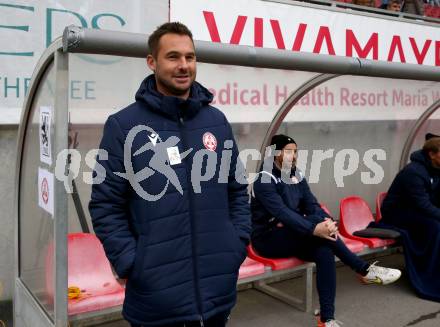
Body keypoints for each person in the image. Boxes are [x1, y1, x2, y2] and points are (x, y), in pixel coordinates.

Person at [89, 22, 251, 327]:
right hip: (156, 301)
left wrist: (236, 243)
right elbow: (105, 204)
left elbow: (237, 188)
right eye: (173, 57)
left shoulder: (216, 121)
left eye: (190, 57)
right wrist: (132, 264)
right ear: (152, 62)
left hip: (217, 292)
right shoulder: (123, 126)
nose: (184, 66)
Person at [250, 134, 401, 327]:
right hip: (268, 238)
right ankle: (363, 270)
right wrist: (314, 228)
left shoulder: (297, 174)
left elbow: (311, 204)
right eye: (288, 151)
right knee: (322, 237)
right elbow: (282, 214)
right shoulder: (264, 180)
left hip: (294, 232)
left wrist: (327, 222)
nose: (293, 156)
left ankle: (326, 319)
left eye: (295, 151)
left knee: (325, 251)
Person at [379, 136, 440, 302]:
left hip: (415, 211)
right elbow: (423, 205)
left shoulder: (436, 169)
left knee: (434, 223)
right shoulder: (413, 172)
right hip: (397, 214)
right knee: (434, 226)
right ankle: (429, 276)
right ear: (432, 154)